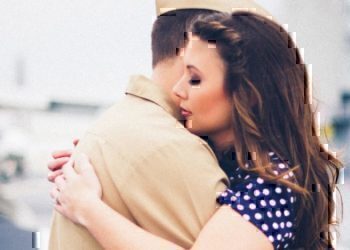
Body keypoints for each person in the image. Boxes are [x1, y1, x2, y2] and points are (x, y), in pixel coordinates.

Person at [49, 11, 342, 250]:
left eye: (195, 80)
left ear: (247, 94)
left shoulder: (273, 185)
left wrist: (87, 208)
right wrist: (102, 160)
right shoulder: (235, 163)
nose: (178, 90)